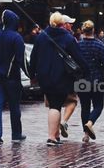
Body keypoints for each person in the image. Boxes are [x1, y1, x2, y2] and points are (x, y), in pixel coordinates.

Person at [29, 12, 88, 146]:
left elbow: (33, 58)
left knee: (54, 104)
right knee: (56, 106)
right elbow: (79, 57)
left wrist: (32, 75)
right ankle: (52, 137)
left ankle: (56, 135)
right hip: (62, 76)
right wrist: (86, 71)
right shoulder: (68, 38)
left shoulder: (41, 37)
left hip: (44, 76)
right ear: (62, 23)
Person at [0, 9, 27, 145]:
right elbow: (21, 60)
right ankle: (16, 134)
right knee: (14, 106)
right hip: (11, 76)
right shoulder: (16, 37)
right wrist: (31, 74)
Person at [77, 20, 104, 142]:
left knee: (84, 107)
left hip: (81, 80)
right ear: (93, 31)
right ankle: (90, 122)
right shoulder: (99, 45)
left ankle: (86, 135)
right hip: (97, 79)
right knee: (98, 105)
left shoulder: (78, 44)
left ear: (83, 31)